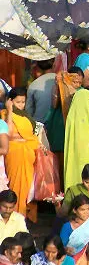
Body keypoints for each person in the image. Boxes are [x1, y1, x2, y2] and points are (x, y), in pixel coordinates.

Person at [3, 88, 39, 218]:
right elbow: (9, 133)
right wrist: (10, 111)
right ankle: (14, 214)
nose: (21, 105)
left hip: (28, 152)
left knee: (28, 186)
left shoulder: (26, 116)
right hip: (14, 153)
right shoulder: (4, 114)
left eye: (23, 102)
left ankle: (23, 215)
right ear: (10, 101)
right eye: (18, 102)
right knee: (15, 185)